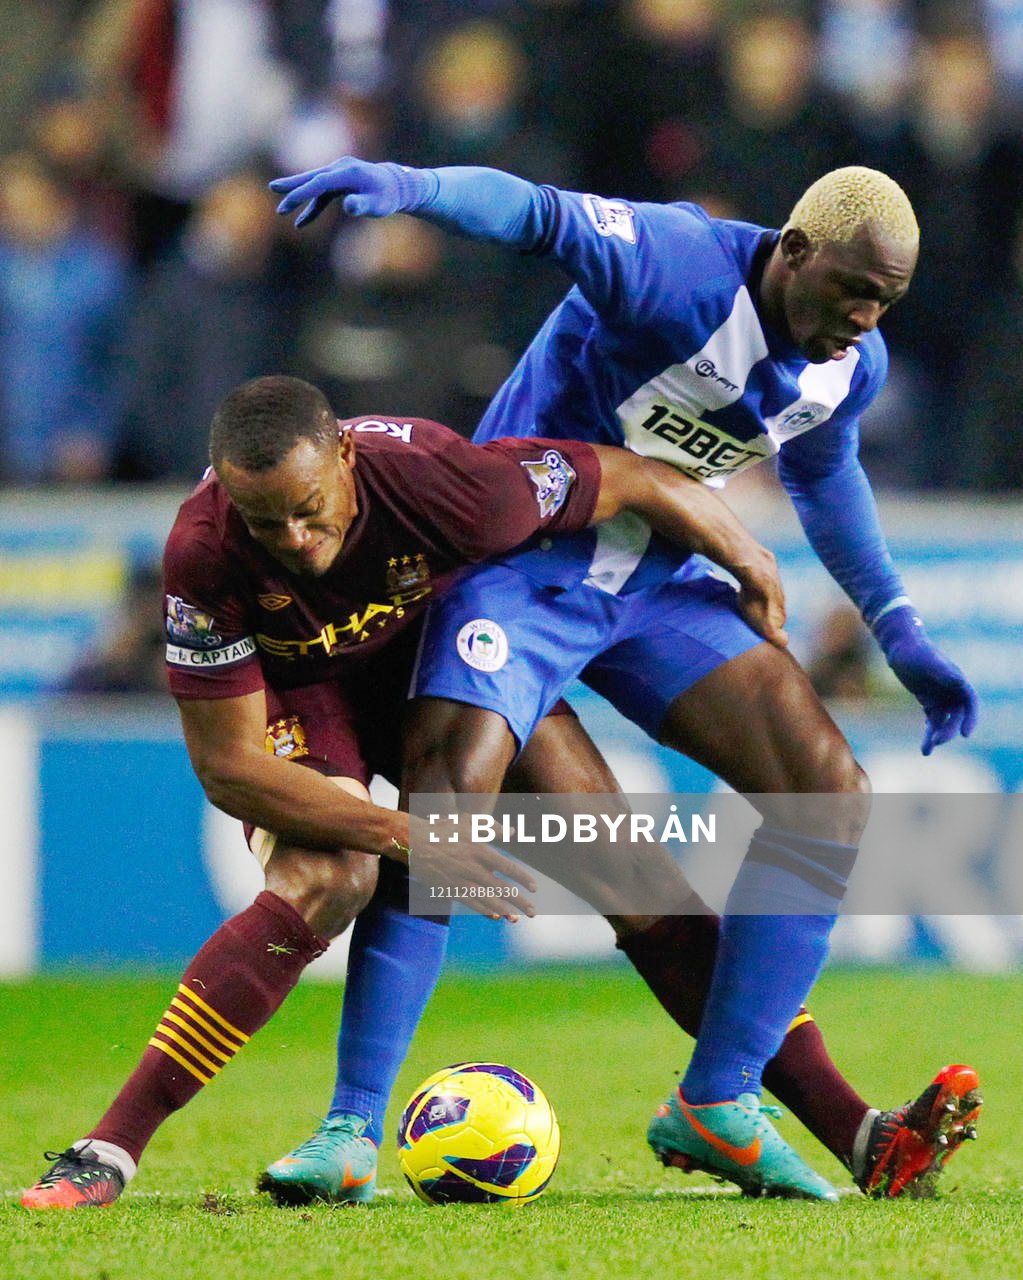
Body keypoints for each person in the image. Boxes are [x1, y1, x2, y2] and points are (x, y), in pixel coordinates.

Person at [259, 157, 980, 1201]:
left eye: (887, 302)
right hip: (517, 568)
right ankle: (351, 1127)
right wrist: (412, 187)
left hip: (653, 586)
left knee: (825, 784)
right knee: (450, 808)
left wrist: (897, 625)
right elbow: (536, 212)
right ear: (793, 250)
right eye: (852, 291)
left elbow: (825, 476)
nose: (865, 320)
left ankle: (719, 1097)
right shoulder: (677, 265)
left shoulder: (846, 366)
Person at [20, 372, 787, 1209]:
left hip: (433, 668)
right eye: (264, 519)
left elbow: (635, 476)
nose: (296, 538)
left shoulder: (452, 482)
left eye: (310, 506)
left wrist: (743, 551)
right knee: (329, 876)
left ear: (346, 454)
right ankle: (111, 1149)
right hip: (298, 694)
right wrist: (404, 832)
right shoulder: (202, 550)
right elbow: (230, 768)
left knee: (624, 869)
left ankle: (846, 1123)